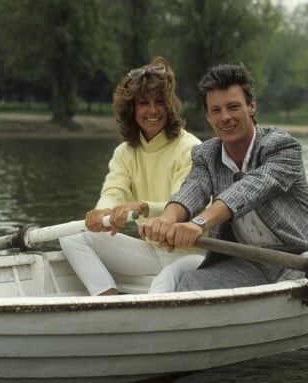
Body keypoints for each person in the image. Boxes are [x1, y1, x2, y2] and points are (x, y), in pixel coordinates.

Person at [138, 63, 308, 292]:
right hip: (248, 263)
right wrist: (166, 220)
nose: (225, 117)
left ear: (251, 107)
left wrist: (198, 223)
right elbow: (193, 189)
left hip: (301, 256)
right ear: (208, 117)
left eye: (233, 107)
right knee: (191, 284)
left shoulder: (282, 146)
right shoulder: (206, 154)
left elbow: (250, 188)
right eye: (216, 110)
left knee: (292, 288)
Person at [60, 57, 204, 296]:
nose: (153, 110)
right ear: (132, 108)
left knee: (161, 285)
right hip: (152, 251)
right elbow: (113, 192)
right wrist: (102, 213)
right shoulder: (125, 152)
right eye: (143, 103)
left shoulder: (190, 148)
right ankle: (110, 305)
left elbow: (188, 205)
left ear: (170, 105)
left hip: (194, 254)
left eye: (160, 101)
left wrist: (145, 207)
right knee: (72, 236)